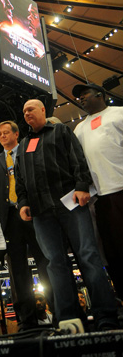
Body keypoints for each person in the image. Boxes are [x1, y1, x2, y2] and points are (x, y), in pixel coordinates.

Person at [15, 99, 118, 330]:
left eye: (30, 109)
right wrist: (22, 202)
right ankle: (68, 319)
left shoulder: (61, 131)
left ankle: (106, 316)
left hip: (70, 203)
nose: (26, 113)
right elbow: (20, 179)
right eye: (23, 111)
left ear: (43, 110)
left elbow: (77, 159)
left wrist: (82, 185)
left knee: (88, 256)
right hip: (41, 212)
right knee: (55, 263)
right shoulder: (23, 144)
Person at [0, 121, 52, 330]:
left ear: (16, 134)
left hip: (33, 214)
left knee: (45, 263)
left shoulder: (28, 151)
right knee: (17, 271)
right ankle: (27, 320)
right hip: (9, 222)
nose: (3, 136)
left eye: (6, 132)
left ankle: (57, 310)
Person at [73, 82, 123, 300]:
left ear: (100, 95)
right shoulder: (79, 128)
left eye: (85, 94)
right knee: (112, 251)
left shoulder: (119, 114)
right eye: (79, 97)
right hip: (100, 197)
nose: (81, 99)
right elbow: (78, 163)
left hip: (122, 188)